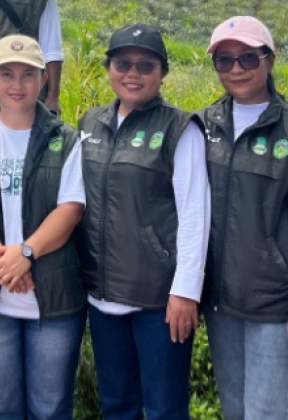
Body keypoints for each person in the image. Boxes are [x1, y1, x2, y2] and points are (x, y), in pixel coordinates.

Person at [0, 34, 86, 420]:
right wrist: (6, 265)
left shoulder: (66, 139)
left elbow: (70, 209)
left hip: (53, 295)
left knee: (50, 407)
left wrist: (26, 253)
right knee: (1, 406)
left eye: (28, 74)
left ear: (44, 79)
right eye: (7, 73)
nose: (17, 84)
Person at [194, 16, 288, 420]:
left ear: (270, 60)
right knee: (235, 410)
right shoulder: (203, 124)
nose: (236, 69)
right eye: (224, 60)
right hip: (220, 302)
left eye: (248, 58)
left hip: (275, 305)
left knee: (269, 413)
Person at [78, 24, 210, 420]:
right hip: (102, 296)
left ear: (162, 73)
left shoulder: (180, 128)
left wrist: (186, 291)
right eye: (123, 63)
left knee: (165, 407)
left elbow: (195, 213)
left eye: (145, 66)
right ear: (108, 68)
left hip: (159, 300)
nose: (132, 74)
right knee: (117, 406)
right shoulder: (91, 123)